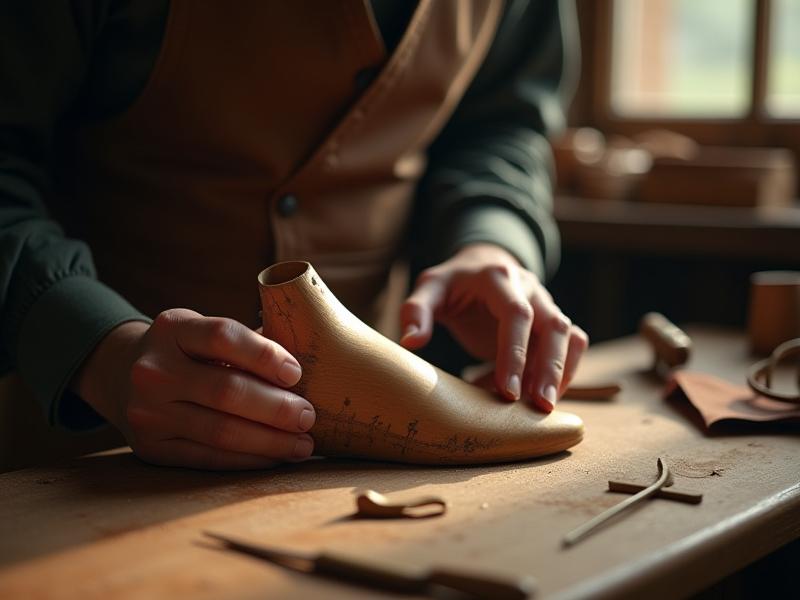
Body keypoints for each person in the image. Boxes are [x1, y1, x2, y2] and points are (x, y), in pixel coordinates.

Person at [0, 0, 588, 470]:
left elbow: (500, 124)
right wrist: (101, 352)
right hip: (75, 459)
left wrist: (491, 238)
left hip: (359, 459)